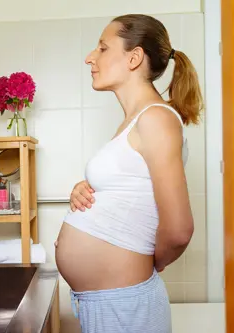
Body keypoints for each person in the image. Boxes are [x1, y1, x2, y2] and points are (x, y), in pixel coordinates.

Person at [54, 14, 203, 333]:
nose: (90, 57)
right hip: (112, 303)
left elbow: (179, 230)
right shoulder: (137, 120)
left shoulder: (156, 119)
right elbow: (133, 190)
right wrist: (88, 190)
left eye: (103, 48)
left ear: (134, 58)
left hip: (126, 306)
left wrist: (146, 263)